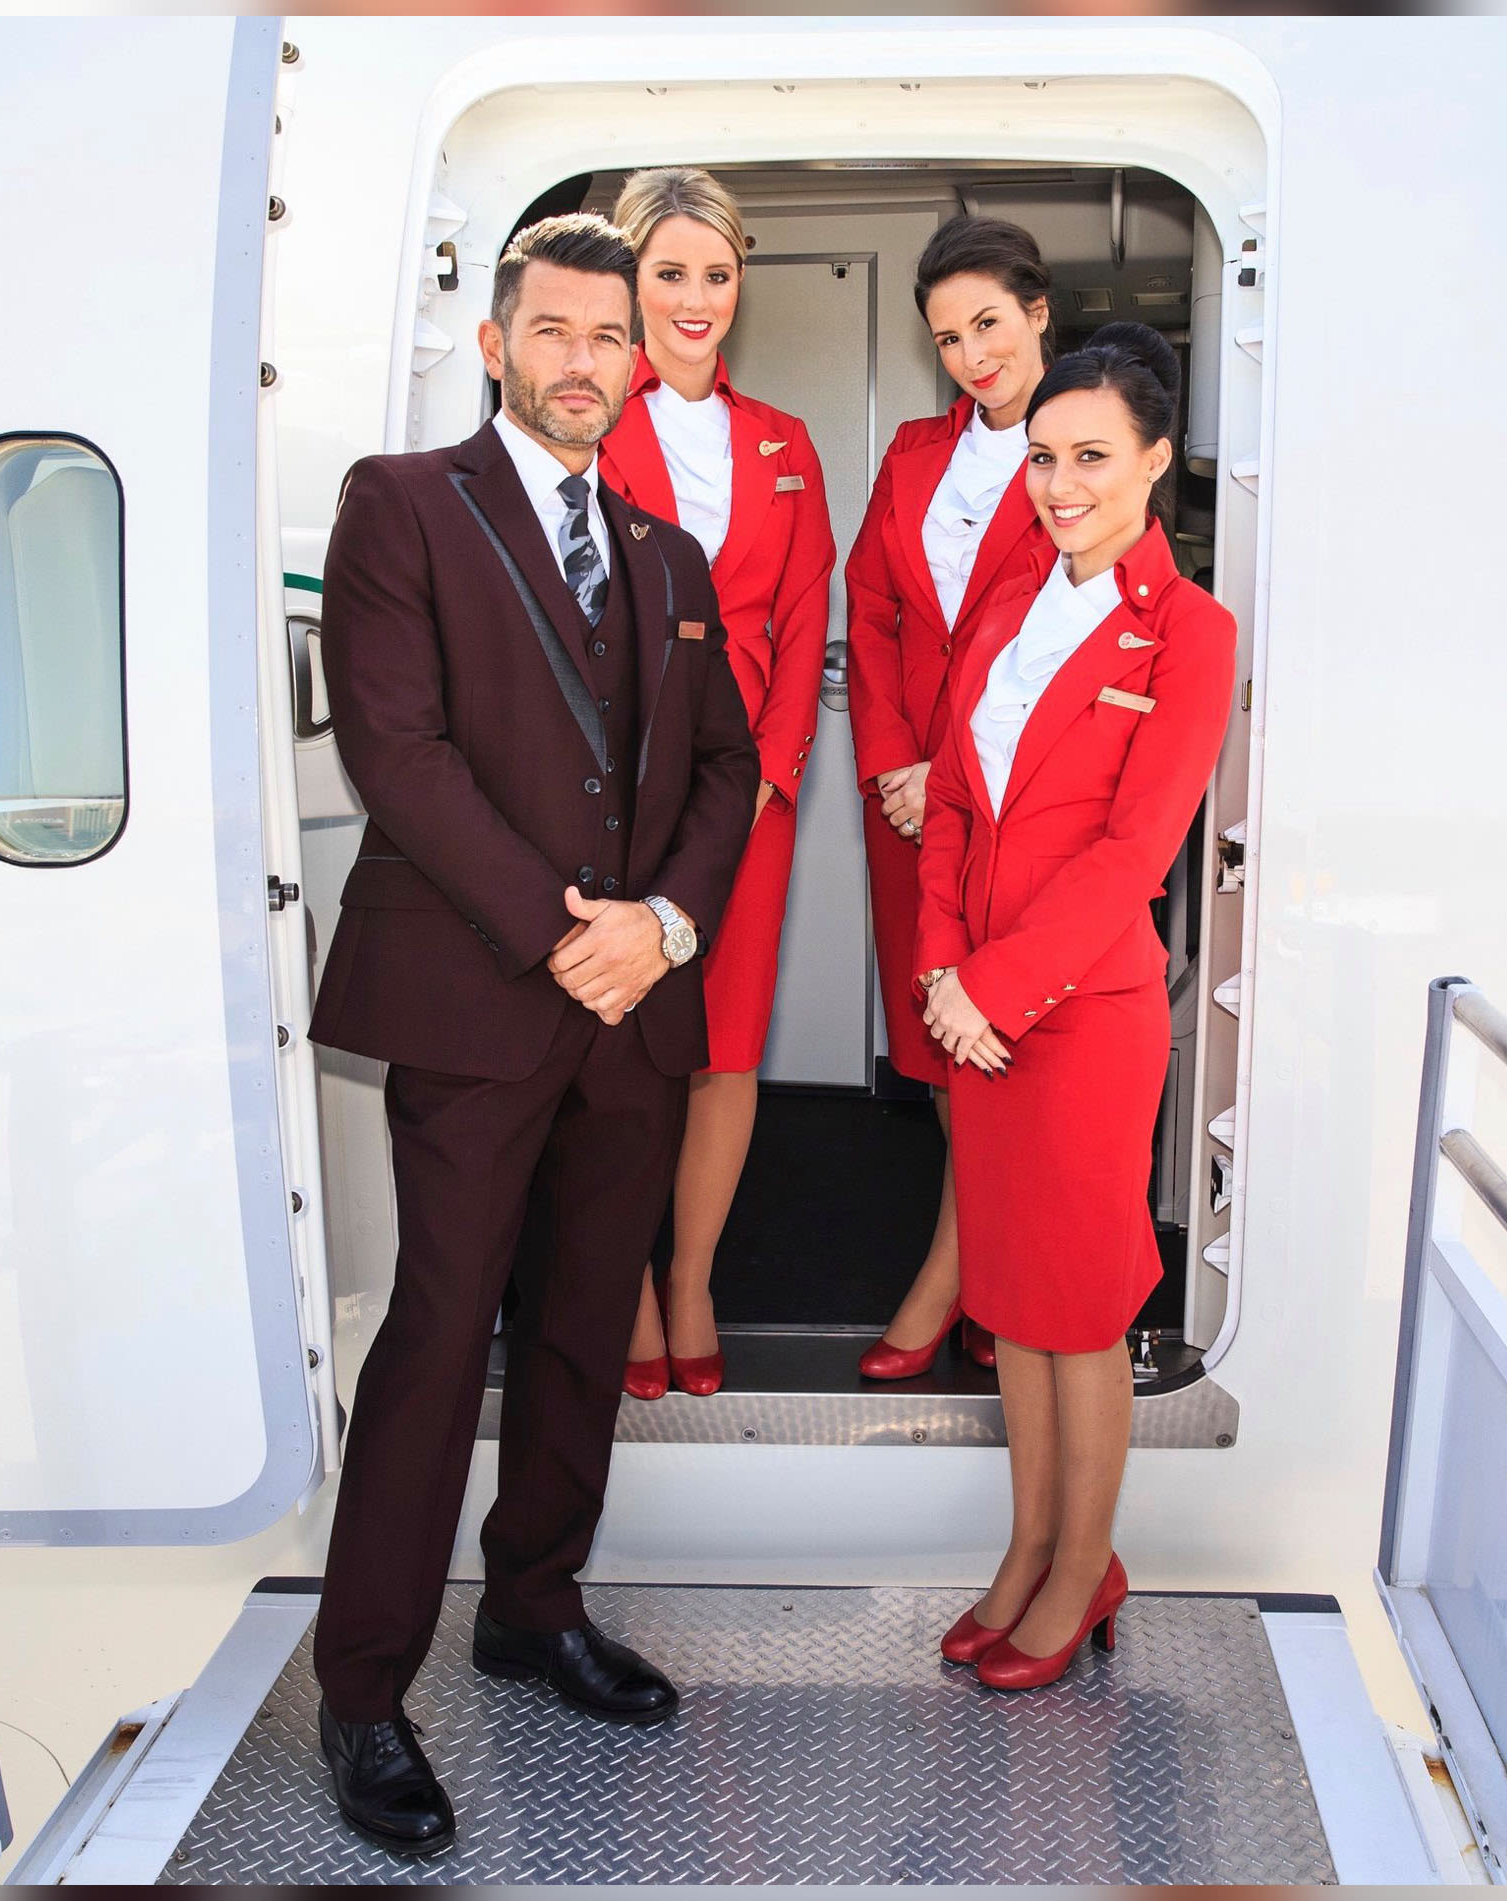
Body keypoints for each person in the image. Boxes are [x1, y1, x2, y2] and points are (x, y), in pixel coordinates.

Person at [303, 212, 760, 1854]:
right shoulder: (401, 506)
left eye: (609, 336)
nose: (584, 361)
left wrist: (666, 929)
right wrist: (571, 928)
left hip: (629, 1013)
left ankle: (533, 1608)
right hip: (481, 1001)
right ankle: (362, 1692)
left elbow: (729, 771)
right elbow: (398, 748)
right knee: (439, 1337)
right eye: (553, 331)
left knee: (583, 1329)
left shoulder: (666, 557)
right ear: (497, 344)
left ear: (640, 362)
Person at [912, 322, 1235, 1690]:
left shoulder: (1190, 634)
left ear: (1155, 462)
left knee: (1080, 1310)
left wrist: (991, 987)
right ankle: (1032, 1552)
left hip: (1080, 1015)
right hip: (973, 1012)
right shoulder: (1005, 609)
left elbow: (1133, 852)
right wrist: (938, 974)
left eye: (1090, 456)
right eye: (1043, 457)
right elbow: (947, 808)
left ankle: (1085, 1561)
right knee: (1012, 1300)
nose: (1059, 484)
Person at [593, 166, 833, 1401]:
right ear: (630, 283)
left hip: (748, 799)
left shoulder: (785, 443)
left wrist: (775, 780)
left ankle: (689, 1277)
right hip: (619, 784)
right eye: (670, 273)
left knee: (724, 1049)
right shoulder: (586, 419)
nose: (696, 300)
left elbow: (803, 619)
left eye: (717, 275)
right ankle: (623, 1287)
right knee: (620, 1045)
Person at [841, 215, 1058, 1381]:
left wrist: (954, 777)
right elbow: (867, 604)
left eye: (988, 322)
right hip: (908, 805)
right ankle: (986, 1268)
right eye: (946, 338)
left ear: (1037, 313)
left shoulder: (1084, 454)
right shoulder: (916, 457)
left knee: (1012, 1037)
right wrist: (889, 762)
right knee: (939, 1039)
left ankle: (958, 1278)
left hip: (1015, 800)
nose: (973, 354)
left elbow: (1058, 646)